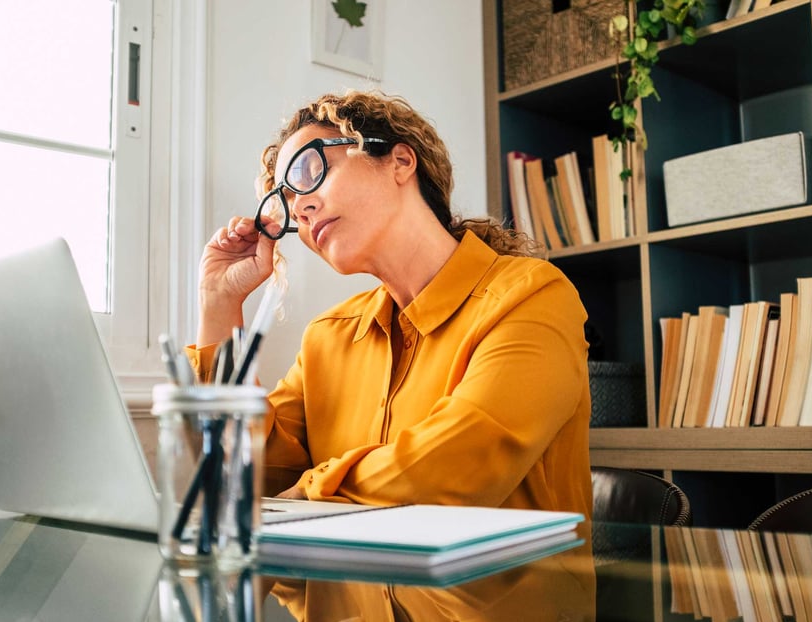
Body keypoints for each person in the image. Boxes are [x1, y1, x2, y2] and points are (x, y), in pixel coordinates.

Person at [187, 89, 592, 527]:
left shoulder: (532, 297)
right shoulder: (328, 337)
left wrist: (311, 489)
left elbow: (460, 464)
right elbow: (245, 477)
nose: (300, 209)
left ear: (400, 161)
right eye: (286, 201)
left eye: (308, 171)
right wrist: (219, 304)